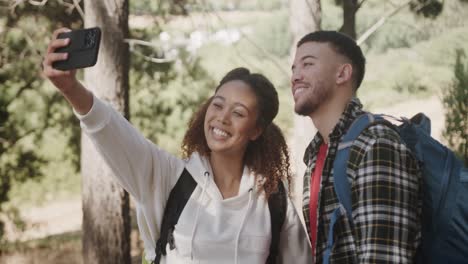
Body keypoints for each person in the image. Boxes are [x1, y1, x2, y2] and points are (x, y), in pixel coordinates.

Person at [42, 28, 312, 264]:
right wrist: (70, 89)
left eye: (238, 113)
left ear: (256, 130)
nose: (222, 117)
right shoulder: (168, 178)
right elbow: (111, 131)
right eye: (217, 104)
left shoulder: (273, 201)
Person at [290, 30, 422, 263]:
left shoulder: (375, 144)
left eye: (307, 64)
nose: (296, 76)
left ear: (342, 73)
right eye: (294, 69)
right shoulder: (316, 155)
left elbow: (384, 258)